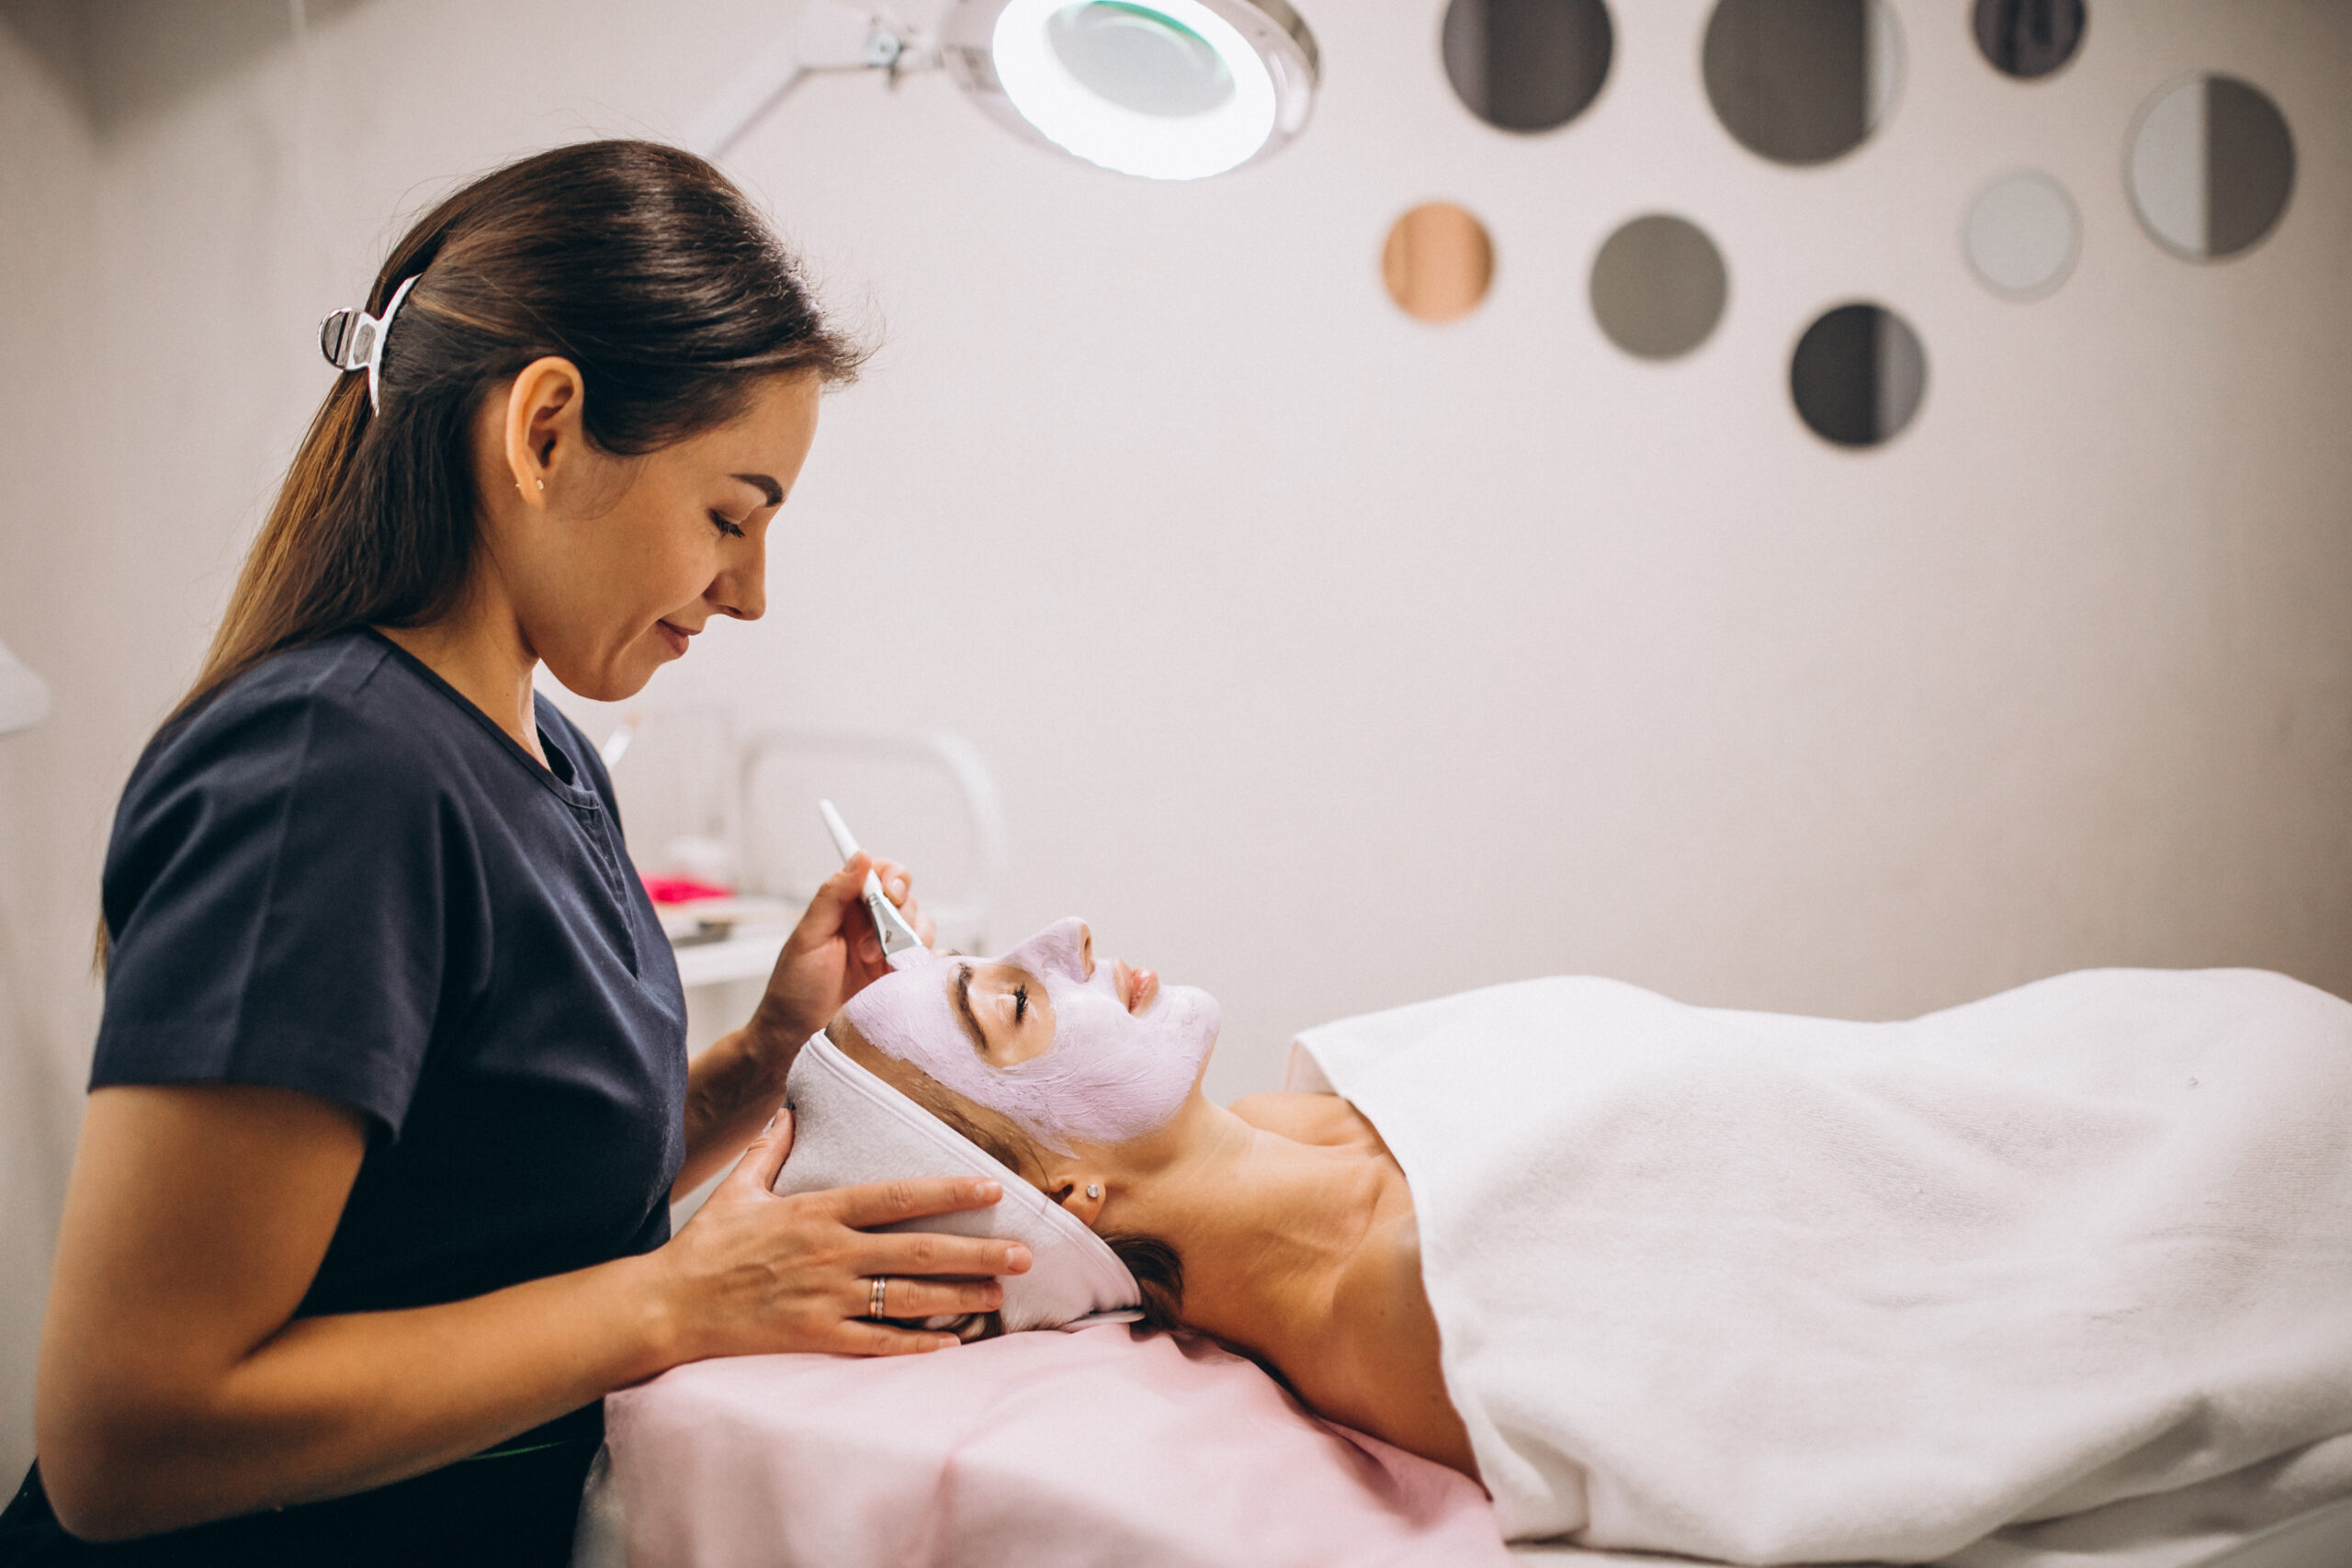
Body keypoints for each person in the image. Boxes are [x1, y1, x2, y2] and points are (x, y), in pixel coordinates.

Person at [6, 141, 1029, 1565]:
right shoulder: (333, 772)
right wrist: (680, 1299)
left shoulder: (539, 756)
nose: (750, 592)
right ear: (545, 429)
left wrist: (772, 1051)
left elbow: (498, 1201)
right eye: (729, 515)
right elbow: (129, 1435)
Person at [821, 917, 2352, 1564]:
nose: (1064, 942)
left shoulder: (1336, 1111)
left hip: (2139, 1058)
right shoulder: (1418, 1302)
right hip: (2210, 1189)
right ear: (1068, 1203)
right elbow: (1893, 1351)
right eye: (1011, 1003)